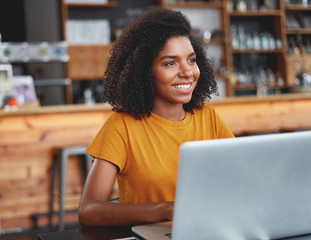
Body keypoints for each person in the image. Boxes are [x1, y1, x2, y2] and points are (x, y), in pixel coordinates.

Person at [78, 6, 234, 227]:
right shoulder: (122, 126)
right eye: (170, 63)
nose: (188, 72)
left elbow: (241, 180)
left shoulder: (208, 118)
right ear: (144, 71)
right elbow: (88, 210)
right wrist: (166, 209)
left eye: (191, 60)